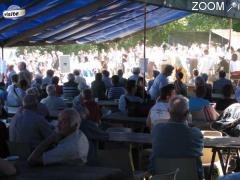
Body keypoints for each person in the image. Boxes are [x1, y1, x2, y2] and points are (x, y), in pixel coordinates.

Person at [150, 95, 203, 179]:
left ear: (168, 111)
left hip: (162, 177)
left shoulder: (157, 130)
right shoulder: (196, 134)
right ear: (187, 113)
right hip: (190, 177)